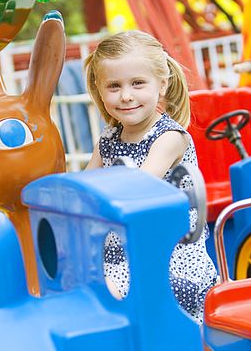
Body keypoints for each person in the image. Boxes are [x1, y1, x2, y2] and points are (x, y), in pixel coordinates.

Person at [84, 30, 217, 324]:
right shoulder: (107, 140)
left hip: (169, 255)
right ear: (99, 89)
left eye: (137, 83)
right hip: (121, 252)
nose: (126, 95)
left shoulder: (168, 137)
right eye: (114, 86)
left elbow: (139, 188)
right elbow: (85, 187)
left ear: (162, 84)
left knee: (105, 297)